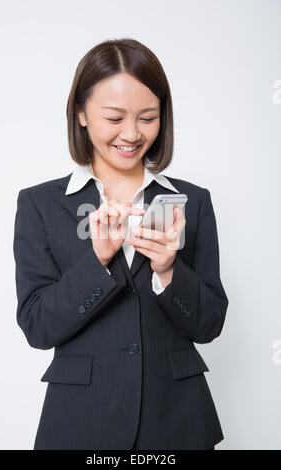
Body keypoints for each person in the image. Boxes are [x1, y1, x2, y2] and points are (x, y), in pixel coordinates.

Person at [13, 38, 228, 450]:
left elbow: (210, 324)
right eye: (114, 117)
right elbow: (37, 325)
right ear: (80, 112)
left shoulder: (194, 201)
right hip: (79, 422)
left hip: (178, 421)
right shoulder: (40, 204)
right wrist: (97, 259)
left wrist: (168, 271)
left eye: (148, 117)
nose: (132, 134)